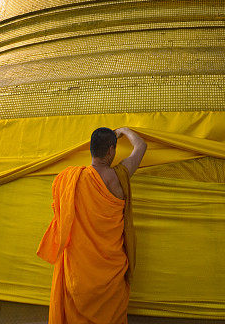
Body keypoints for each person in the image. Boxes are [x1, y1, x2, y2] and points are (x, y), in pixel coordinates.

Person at [37, 126, 147, 324]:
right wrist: (125, 130)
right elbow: (141, 146)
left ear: (91, 149)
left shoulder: (69, 179)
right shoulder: (119, 177)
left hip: (79, 275)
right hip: (111, 274)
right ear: (111, 150)